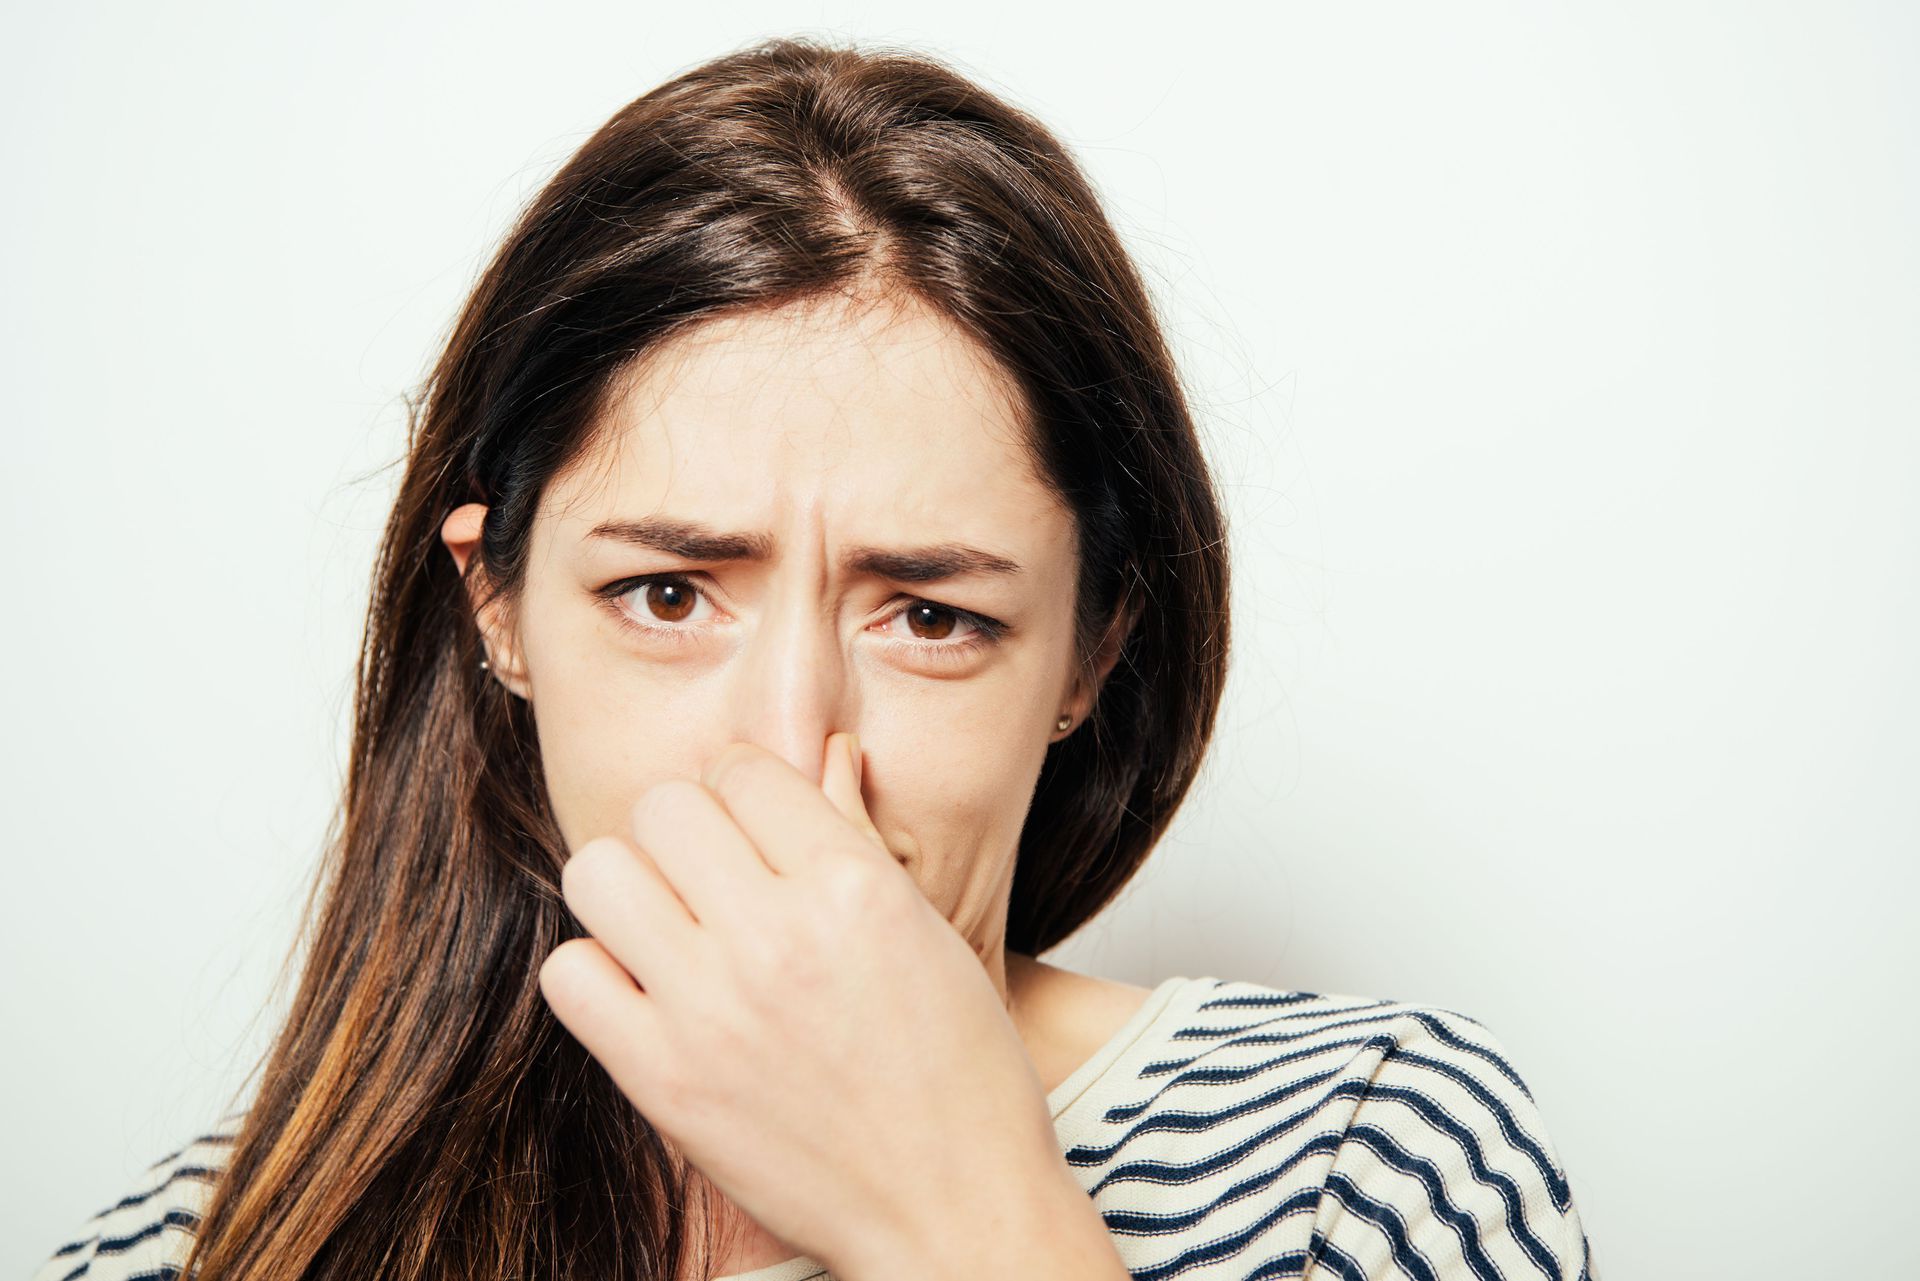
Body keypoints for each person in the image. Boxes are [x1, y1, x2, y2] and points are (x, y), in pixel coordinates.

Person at [32, 33, 1598, 1281]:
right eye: (665, 594)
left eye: (931, 616)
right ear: (497, 607)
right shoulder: (201, 1250)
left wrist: (961, 1217)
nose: (790, 750)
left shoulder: (1363, 1165)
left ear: (1088, 651)